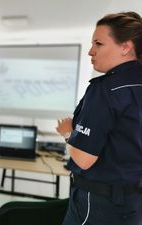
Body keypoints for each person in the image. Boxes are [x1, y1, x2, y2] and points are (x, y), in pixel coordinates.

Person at [56, 12, 142, 225]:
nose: (90, 51)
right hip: (133, 203)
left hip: (98, 206)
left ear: (126, 47)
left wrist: (68, 132)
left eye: (99, 43)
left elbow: (84, 160)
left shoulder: (104, 90)